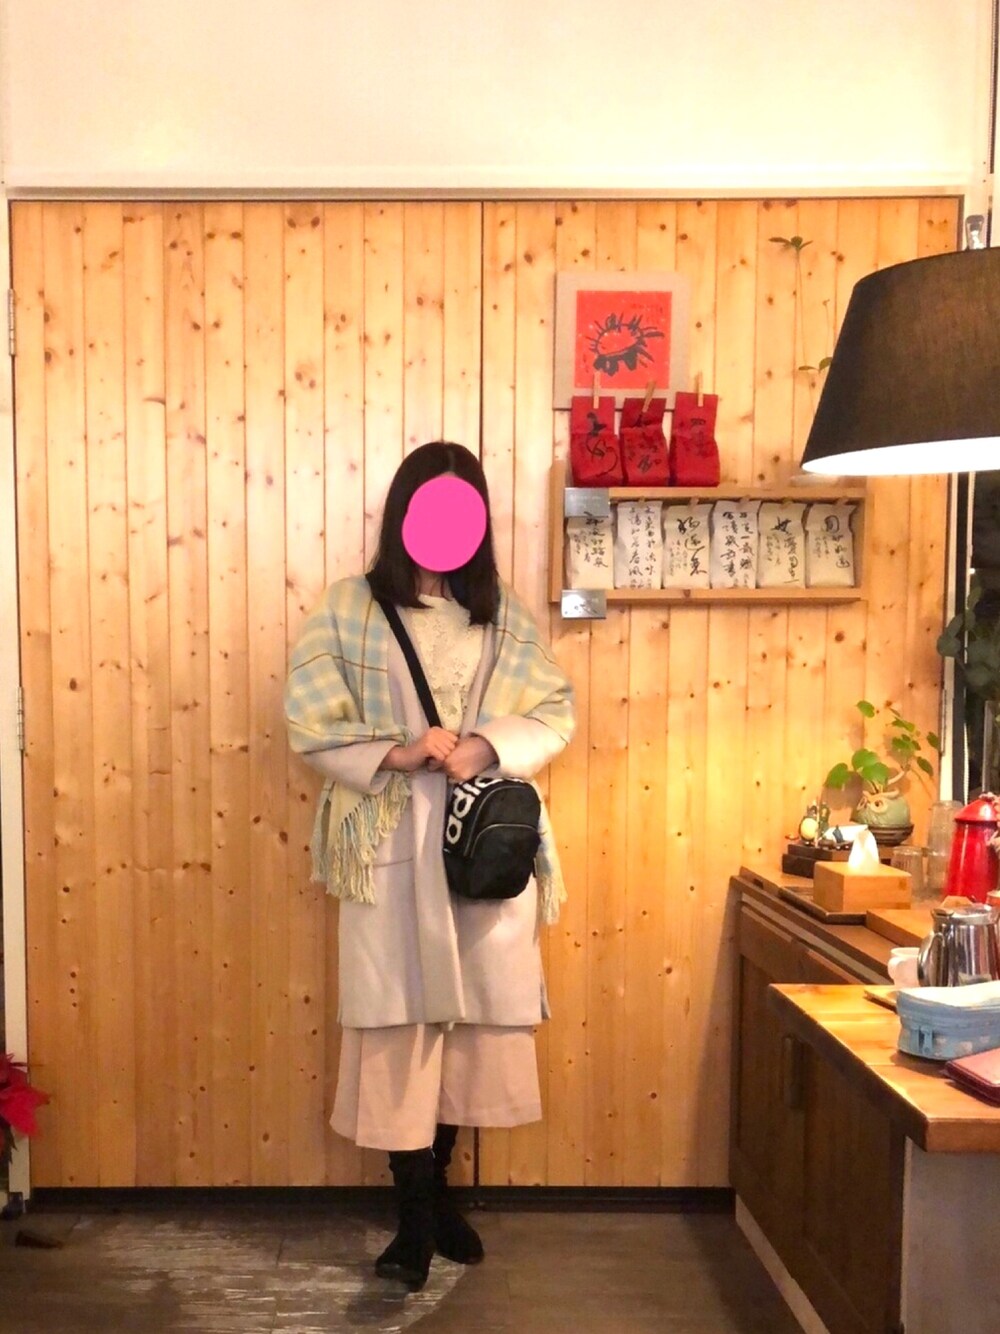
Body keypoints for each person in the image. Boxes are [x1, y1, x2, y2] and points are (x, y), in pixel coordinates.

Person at [284, 442, 575, 1291]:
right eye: (430, 505)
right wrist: (402, 751)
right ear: (402, 512)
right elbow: (308, 716)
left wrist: (484, 744)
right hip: (387, 837)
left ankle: (440, 1194)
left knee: (470, 1017)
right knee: (400, 1018)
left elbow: (552, 707)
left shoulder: (502, 615)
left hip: (481, 842)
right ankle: (412, 1215)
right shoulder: (350, 607)